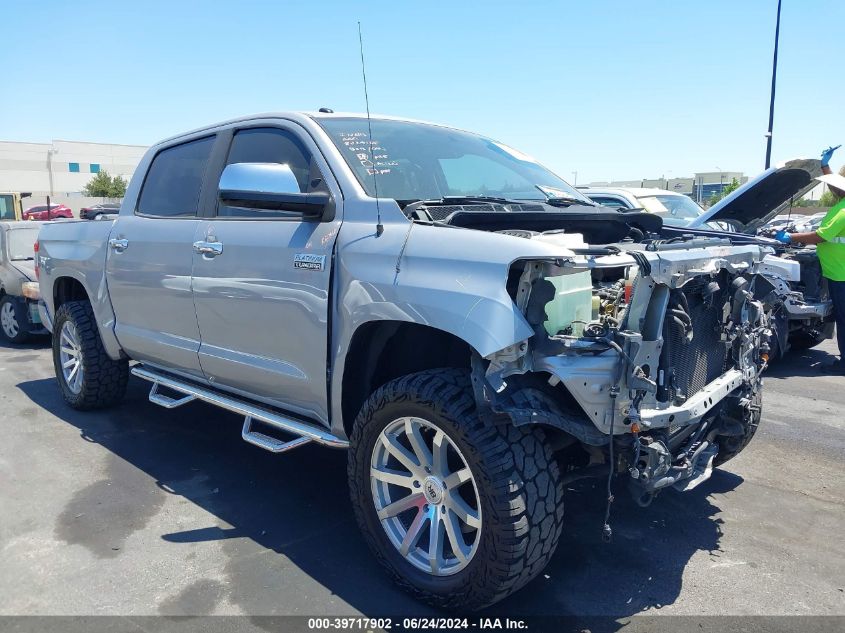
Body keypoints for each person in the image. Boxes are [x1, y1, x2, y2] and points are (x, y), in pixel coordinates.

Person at [775, 145, 845, 374]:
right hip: (837, 272)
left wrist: (790, 237)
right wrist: (825, 166)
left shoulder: (843, 210)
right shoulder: (841, 203)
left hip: (841, 275)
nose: (834, 186)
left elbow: (821, 236)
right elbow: (837, 187)